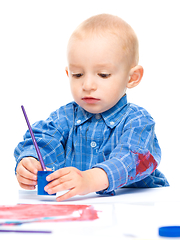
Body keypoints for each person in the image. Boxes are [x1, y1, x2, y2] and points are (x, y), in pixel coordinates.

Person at [14, 14, 169, 202]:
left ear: (132, 77)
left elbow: (133, 158)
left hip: (140, 206)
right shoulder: (64, 117)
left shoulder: (138, 121)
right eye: (77, 74)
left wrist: (90, 179)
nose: (87, 85)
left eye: (103, 75)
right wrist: (31, 162)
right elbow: (44, 140)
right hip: (82, 211)